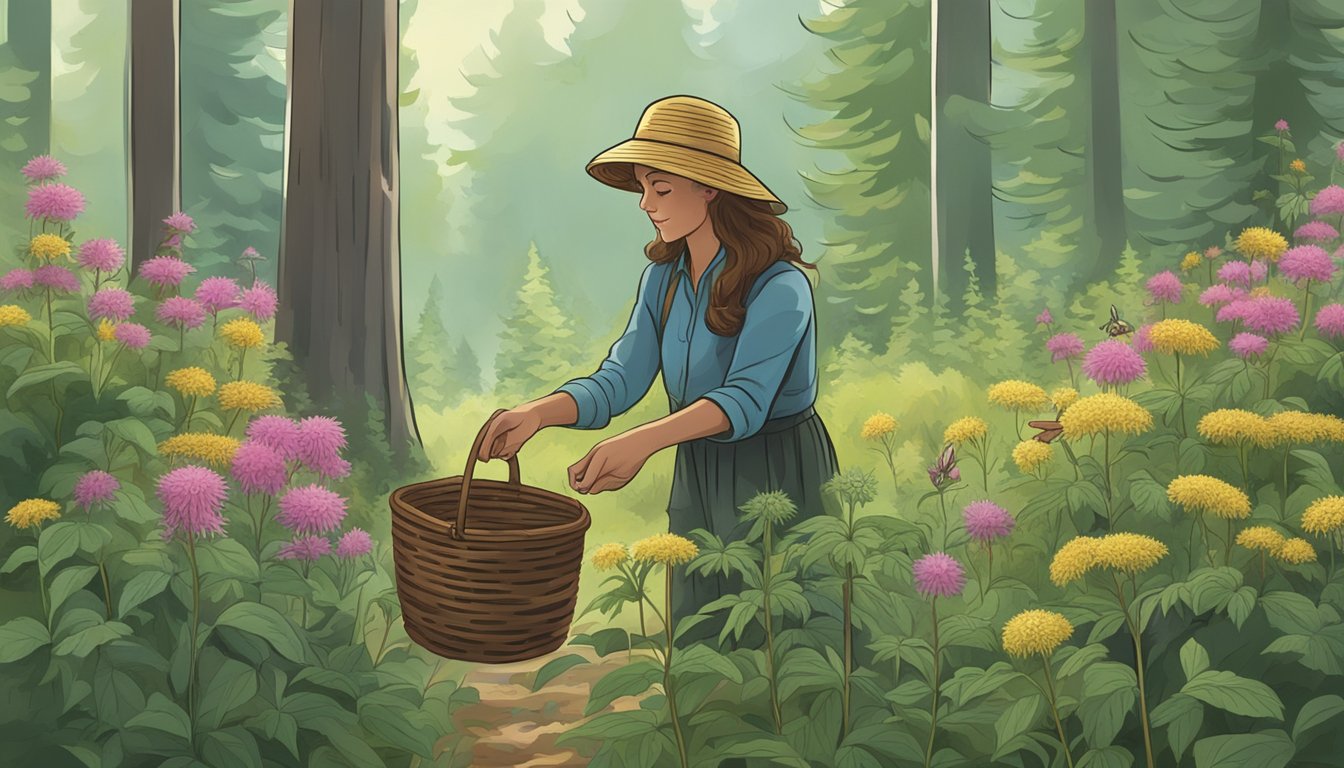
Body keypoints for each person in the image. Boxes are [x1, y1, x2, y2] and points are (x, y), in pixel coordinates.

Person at [476, 94, 841, 643]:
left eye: (661, 188)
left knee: (785, 637)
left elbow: (744, 400)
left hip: (778, 472)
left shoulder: (780, 286)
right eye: (644, 187)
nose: (646, 203)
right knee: (697, 636)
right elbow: (622, 376)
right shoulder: (664, 280)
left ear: (710, 187)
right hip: (698, 473)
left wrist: (640, 443)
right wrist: (538, 413)